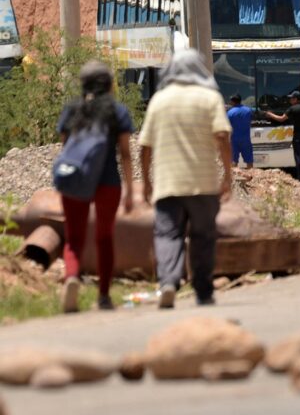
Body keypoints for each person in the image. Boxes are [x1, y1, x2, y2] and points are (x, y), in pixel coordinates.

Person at [140, 49, 233, 309]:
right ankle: (203, 292)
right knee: (203, 236)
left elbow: (145, 145)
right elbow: (223, 137)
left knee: (168, 234)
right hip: (203, 183)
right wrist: (227, 174)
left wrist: (146, 180)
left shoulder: (158, 100)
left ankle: (168, 283)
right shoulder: (210, 98)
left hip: (168, 183)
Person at [56, 61, 134, 313]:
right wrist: (131, 189)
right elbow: (125, 154)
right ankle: (103, 296)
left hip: (76, 176)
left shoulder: (72, 110)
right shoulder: (117, 111)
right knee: (104, 237)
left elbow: (66, 148)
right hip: (108, 182)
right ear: (110, 84)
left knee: (74, 237)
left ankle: (71, 277)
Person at [266, 91, 300, 181]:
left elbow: (281, 119)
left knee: (298, 156)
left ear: (296, 99)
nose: (290, 100)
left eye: (292, 98)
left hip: (298, 135)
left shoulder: (292, 109)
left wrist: (270, 114)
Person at [226, 94, 255, 169]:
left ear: (232, 102)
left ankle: (234, 177)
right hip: (246, 139)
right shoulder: (248, 110)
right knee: (249, 161)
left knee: (233, 161)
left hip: (234, 140)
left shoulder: (230, 113)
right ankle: (251, 177)